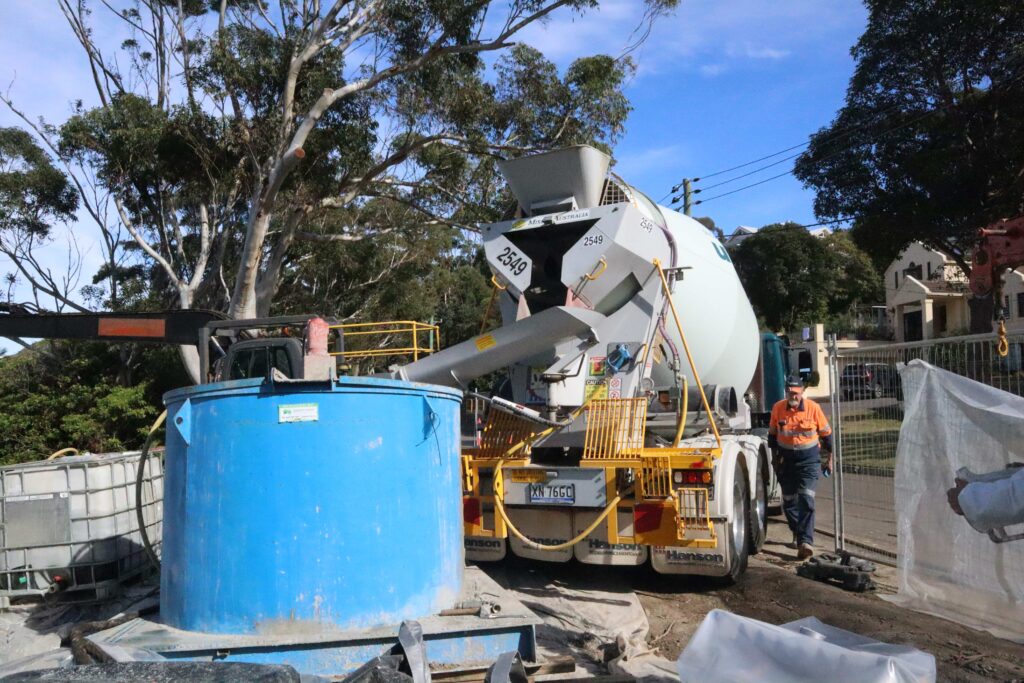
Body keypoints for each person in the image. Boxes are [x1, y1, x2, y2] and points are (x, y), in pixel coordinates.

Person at [768, 376, 833, 560]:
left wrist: (830, 459)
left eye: (796, 393)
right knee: (789, 502)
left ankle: (806, 542)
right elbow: (772, 437)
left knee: (806, 498)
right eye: (790, 392)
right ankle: (798, 531)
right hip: (786, 462)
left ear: (802, 392)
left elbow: (827, 437)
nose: (793, 396)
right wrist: (774, 460)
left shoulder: (814, 409)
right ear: (786, 392)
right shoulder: (778, 408)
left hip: (809, 461)